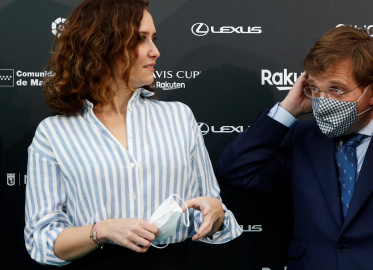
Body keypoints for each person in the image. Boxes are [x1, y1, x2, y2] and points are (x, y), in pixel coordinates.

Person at [24, 0, 241, 268]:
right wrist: (101, 230)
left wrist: (216, 213)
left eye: (154, 38)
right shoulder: (53, 134)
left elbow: (209, 209)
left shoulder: (179, 117)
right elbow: (43, 240)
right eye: (140, 39)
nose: (155, 51)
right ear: (101, 45)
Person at [215, 26, 373, 270]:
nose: (323, 101)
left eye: (336, 89)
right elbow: (235, 171)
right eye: (316, 88)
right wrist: (286, 110)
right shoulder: (302, 136)